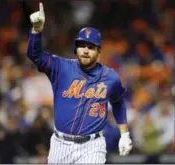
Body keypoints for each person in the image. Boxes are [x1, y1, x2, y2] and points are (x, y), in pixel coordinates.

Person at [27, 2, 132, 164]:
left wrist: (124, 134)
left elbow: (118, 102)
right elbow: (35, 56)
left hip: (92, 145)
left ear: (99, 52)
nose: (85, 50)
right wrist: (36, 31)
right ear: (75, 49)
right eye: (81, 45)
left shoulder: (110, 77)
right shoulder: (60, 67)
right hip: (60, 144)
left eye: (91, 47)